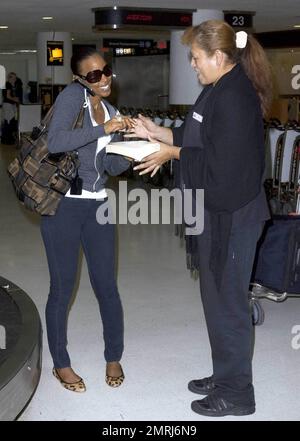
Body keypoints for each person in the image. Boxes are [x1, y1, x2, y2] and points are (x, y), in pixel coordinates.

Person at [132, 20, 272, 416]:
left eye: (196, 59)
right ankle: (225, 373)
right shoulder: (216, 91)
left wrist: (171, 155)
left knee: (228, 303)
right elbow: (201, 139)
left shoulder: (235, 97)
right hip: (214, 214)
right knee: (215, 299)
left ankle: (238, 394)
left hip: (234, 217)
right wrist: (159, 133)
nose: (192, 66)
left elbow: (223, 165)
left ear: (218, 56)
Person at [42, 47, 133, 392]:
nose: (104, 78)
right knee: (62, 288)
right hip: (64, 205)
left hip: (99, 205)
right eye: (94, 74)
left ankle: (114, 355)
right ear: (80, 78)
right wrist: (103, 129)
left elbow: (108, 166)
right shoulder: (72, 97)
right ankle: (61, 365)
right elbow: (56, 141)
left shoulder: (110, 109)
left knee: (106, 285)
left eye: (106, 70)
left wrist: (129, 146)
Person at [1, 72, 22, 144]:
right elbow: (8, 96)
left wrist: (15, 98)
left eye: (15, 78)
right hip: (8, 105)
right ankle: (7, 140)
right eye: (13, 77)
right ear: (9, 78)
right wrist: (15, 99)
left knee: (9, 121)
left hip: (8, 105)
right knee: (9, 122)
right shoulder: (8, 85)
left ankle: (7, 139)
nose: (15, 79)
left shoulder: (10, 85)